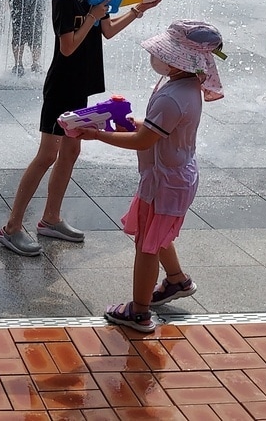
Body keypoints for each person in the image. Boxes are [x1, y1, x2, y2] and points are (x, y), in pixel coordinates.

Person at [0, 0, 159, 257]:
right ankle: (12, 227)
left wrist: (139, 9)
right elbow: (67, 47)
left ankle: (50, 219)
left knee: (71, 151)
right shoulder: (63, 0)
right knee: (47, 155)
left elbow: (108, 31)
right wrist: (91, 16)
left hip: (81, 86)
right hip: (61, 87)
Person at [70, 20, 224, 333]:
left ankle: (138, 312)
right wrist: (131, 122)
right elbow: (156, 129)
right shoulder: (184, 85)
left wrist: (98, 135)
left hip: (165, 182)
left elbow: (144, 141)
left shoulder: (172, 96)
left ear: (178, 61)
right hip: (172, 176)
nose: (154, 57)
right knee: (155, 232)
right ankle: (177, 281)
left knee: (146, 245)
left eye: (161, 53)